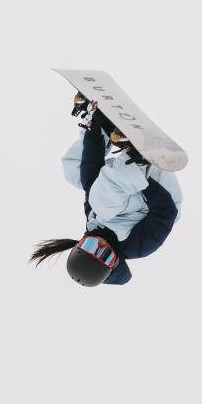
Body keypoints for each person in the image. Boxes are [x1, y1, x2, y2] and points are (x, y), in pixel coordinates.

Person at [31, 96, 182, 287]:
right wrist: (143, 179)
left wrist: (94, 129)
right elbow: (166, 212)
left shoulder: (93, 222)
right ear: (115, 261)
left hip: (129, 186)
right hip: (158, 192)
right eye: (105, 254)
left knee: (74, 172)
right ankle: (135, 159)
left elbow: (90, 176)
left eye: (91, 246)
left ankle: (103, 128)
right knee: (102, 202)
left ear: (81, 242)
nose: (101, 244)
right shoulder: (138, 246)